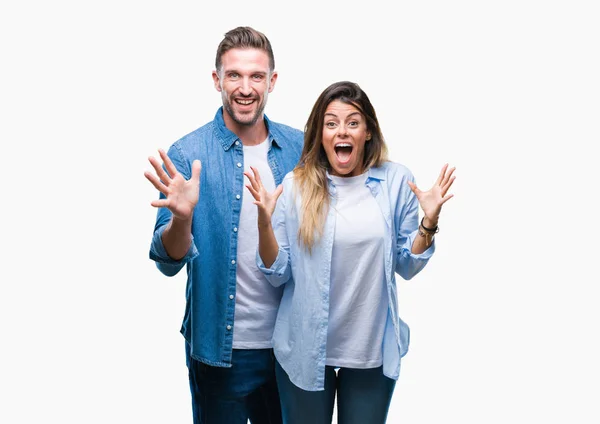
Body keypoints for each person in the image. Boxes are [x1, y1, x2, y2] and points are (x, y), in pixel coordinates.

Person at [244, 81, 456, 424]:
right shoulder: (296, 185)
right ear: (321, 134)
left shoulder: (397, 181)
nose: (342, 131)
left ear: (367, 131)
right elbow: (278, 271)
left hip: (370, 348)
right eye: (331, 123)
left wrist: (428, 224)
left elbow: (407, 264)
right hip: (304, 345)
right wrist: (265, 223)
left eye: (352, 122)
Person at [144, 26, 304, 424]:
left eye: (256, 76)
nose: (245, 87)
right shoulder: (188, 153)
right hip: (219, 349)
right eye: (234, 75)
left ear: (272, 81)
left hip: (291, 348)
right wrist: (182, 218)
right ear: (217, 80)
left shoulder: (302, 149)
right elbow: (168, 261)